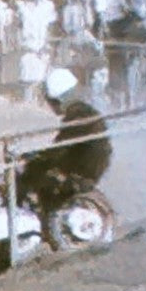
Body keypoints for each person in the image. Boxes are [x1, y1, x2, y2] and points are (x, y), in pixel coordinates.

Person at [18, 68, 112, 206]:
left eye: (50, 102)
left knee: (34, 171)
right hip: (89, 170)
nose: (51, 107)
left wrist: (35, 157)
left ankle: (29, 212)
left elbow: (58, 150)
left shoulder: (77, 117)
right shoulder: (85, 112)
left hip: (81, 175)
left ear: (58, 100)